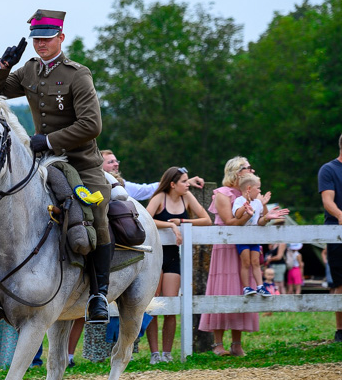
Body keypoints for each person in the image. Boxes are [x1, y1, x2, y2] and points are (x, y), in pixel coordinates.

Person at [0, 8, 112, 323]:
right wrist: (3, 65)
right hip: (41, 161)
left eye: (47, 39)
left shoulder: (77, 74)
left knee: (99, 208)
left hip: (80, 161)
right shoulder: (28, 71)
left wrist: (51, 141)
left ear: (61, 38)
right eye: (37, 39)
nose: (41, 44)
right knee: (0, 197)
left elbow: (92, 124)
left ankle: (99, 294)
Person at [198, 158, 289, 357]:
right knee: (222, 289)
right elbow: (230, 221)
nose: (252, 169)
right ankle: (218, 343)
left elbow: (261, 220)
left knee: (242, 287)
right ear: (237, 171)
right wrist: (248, 212)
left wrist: (266, 211)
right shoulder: (222, 194)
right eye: (248, 167)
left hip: (247, 247)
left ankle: (237, 342)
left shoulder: (252, 191)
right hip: (227, 246)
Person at [145, 167, 211, 363]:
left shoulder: (187, 197)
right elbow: (146, 219)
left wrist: (181, 221)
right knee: (153, 304)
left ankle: (167, 353)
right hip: (156, 257)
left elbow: (206, 219)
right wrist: (171, 225)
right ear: (172, 184)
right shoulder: (159, 198)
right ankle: (154, 354)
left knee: (171, 305)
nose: (187, 184)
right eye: (183, 181)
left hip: (173, 257)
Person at [232, 173, 274, 297]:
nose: (260, 191)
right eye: (258, 188)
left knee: (256, 262)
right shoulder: (239, 201)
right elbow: (237, 215)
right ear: (249, 188)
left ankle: (260, 286)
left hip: (254, 238)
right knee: (245, 262)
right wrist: (245, 208)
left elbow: (261, 220)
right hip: (242, 238)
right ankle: (246, 287)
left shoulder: (258, 203)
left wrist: (265, 208)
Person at [101, 150, 205, 199]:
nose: (116, 164)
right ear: (99, 166)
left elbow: (147, 190)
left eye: (116, 161)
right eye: (111, 162)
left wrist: (184, 182)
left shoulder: (123, 185)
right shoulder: (93, 184)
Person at [318, 135, 342, 342]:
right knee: (341, 281)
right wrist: (340, 214)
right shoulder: (329, 170)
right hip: (337, 230)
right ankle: (340, 330)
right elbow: (328, 201)